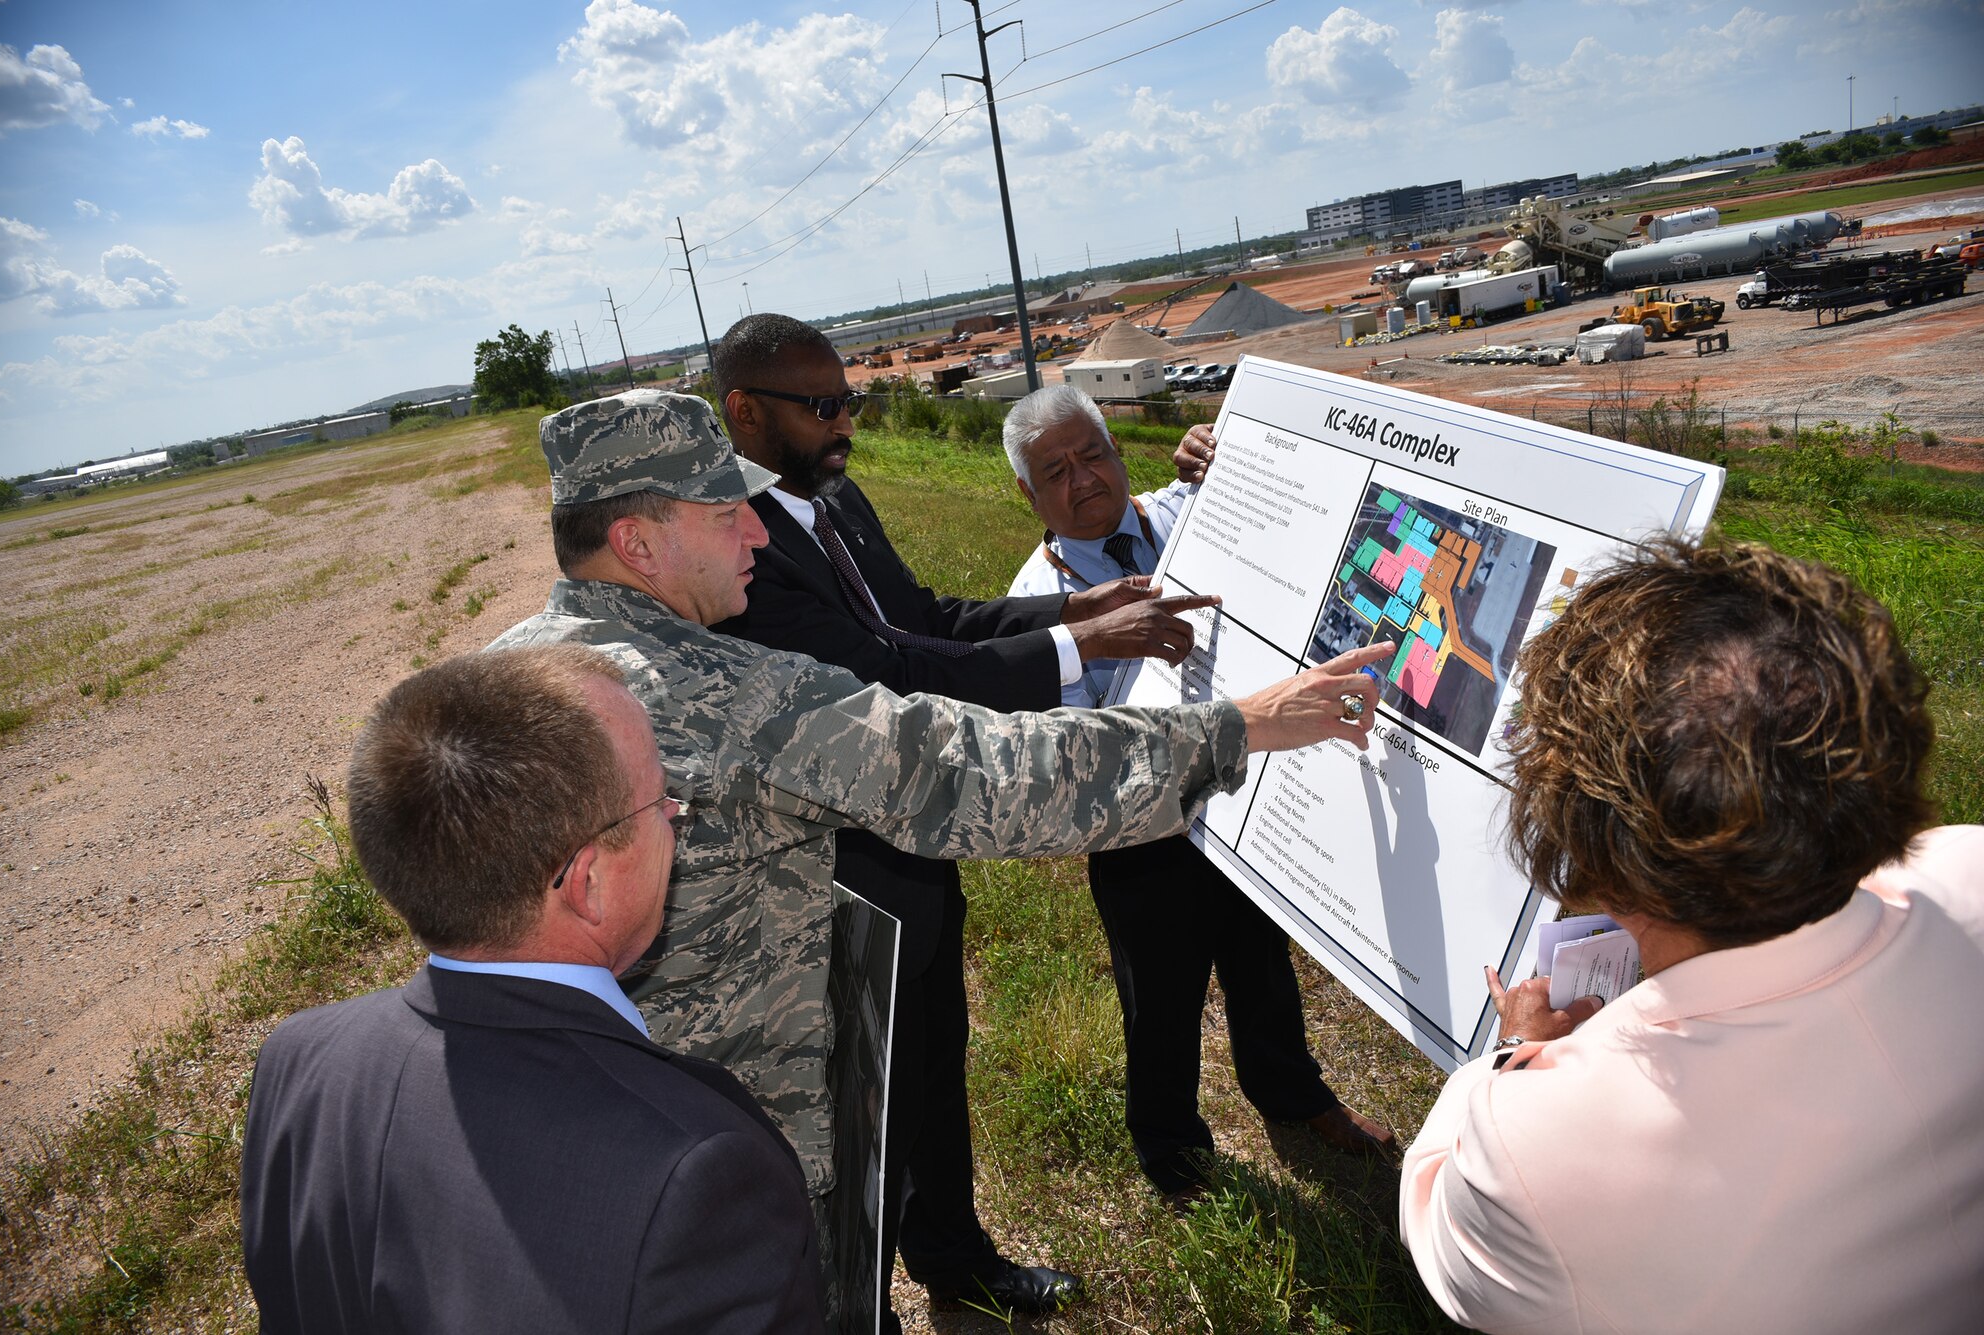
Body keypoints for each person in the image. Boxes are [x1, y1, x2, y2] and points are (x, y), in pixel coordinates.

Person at [488, 387, 1391, 1316]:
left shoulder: (499, 676)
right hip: (749, 1154)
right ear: (638, 542)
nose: (756, 537)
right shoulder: (728, 695)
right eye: (727, 517)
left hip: (586, 1146)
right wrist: (1237, 727)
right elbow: (973, 771)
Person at [711, 315, 1213, 1319]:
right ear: (742, 412)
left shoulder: (831, 498)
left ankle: (953, 1255)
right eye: (822, 408)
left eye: (849, 400)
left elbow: (924, 619)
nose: (846, 422)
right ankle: (859, 1307)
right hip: (828, 869)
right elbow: (889, 672)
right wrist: (1079, 649)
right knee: (859, 1111)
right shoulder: (737, 547)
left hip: (910, 847)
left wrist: (1071, 610)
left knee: (935, 1066)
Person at [1400, 537, 1984, 1334]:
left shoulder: (1535, 1147)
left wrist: (1514, 1056)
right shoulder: (1970, 866)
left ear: (1603, 849)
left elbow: (1441, 1226)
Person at [240, 645, 823, 1335]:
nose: (673, 815)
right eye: (660, 800)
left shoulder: (296, 1061)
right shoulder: (699, 1172)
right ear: (587, 884)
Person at [1002, 388, 1394, 1201]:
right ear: (1028, 494)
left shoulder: (1182, 515)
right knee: (1161, 998)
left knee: (1262, 960)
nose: (1084, 480)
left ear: (1117, 453)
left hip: (1240, 787)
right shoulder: (1030, 602)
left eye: (1094, 455)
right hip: (1141, 832)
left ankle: (1293, 1095)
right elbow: (1067, 750)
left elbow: (1273, 497)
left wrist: (1224, 447)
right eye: (1056, 471)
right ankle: (1173, 1153)